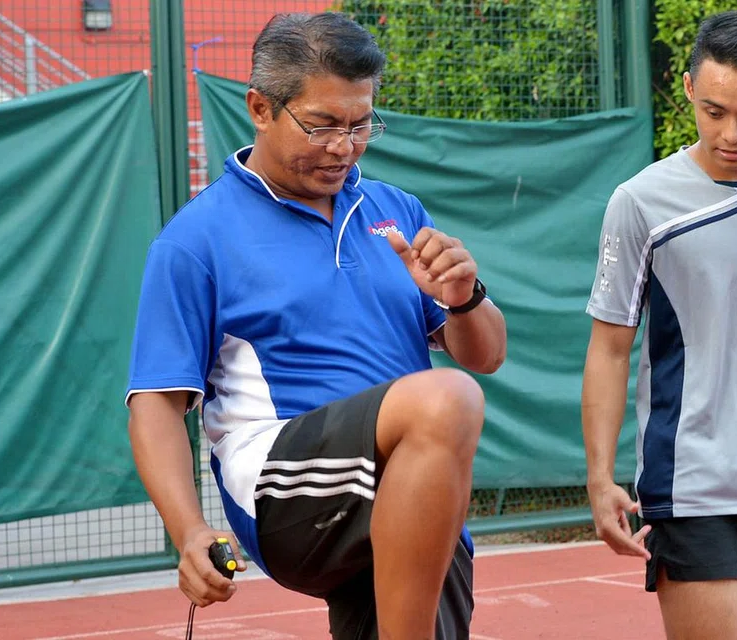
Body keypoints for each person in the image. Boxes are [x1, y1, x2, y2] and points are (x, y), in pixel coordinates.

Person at [125, 12, 506, 640]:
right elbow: (156, 404)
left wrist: (464, 298)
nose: (343, 146)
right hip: (280, 486)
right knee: (447, 399)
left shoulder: (396, 210)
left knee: (447, 405)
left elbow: (486, 356)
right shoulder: (196, 239)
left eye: (361, 125)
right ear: (260, 108)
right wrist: (189, 531)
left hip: (416, 484)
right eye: (322, 124)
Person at [582, 10, 737, 640]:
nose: (732, 133)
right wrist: (600, 476)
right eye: (714, 111)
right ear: (689, 88)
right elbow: (609, 349)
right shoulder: (639, 201)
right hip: (692, 486)